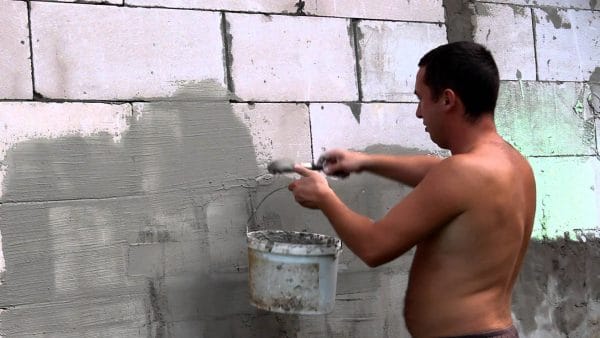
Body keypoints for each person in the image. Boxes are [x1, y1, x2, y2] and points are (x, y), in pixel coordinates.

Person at [287, 41, 536, 338]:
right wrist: (365, 161)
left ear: (447, 100)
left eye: (421, 99)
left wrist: (324, 197)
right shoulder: (514, 165)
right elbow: (435, 171)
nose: (419, 113)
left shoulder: (461, 172)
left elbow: (374, 246)